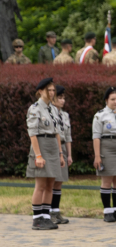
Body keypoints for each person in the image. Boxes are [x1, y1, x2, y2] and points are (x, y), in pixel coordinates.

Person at [26, 78, 65, 230]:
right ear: (40, 91)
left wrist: (60, 154)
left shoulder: (53, 109)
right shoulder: (35, 108)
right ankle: (37, 219)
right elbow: (33, 134)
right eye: (48, 90)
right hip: (41, 145)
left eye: (53, 90)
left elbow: (57, 133)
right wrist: (38, 156)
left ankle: (46, 217)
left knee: (50, 184)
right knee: (41, 184)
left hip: (53, 147)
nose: (52, 93)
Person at [92, 87, 116, 222]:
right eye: (112, 99)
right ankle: (107, 211)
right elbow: (96, 137)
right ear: (106, 100)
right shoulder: (100, 115)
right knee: (107, 181)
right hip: (107, 148)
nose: (115, 102)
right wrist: (97, 156)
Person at [51, 84, 72, 225]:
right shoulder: (49, 113)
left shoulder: (65, 115)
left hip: (63, 147)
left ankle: (56, 211)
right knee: (51, 181)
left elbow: (68, 136)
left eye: (64, 98)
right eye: (59, 97)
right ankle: (48, 212)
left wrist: (69, 155)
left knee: (59, 182)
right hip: (52, 147)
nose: (62, 101)